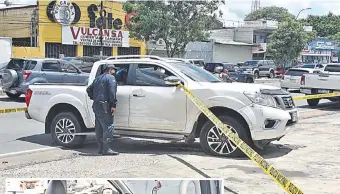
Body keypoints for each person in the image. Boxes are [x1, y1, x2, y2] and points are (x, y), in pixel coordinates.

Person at [86, 64, 119, 156]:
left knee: (99, 127)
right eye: (114, 70)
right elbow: (112, 92)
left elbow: (89, 89)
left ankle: (100, 149)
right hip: (105, 106)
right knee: (108, 126)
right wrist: (113, 104)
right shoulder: (110, 78)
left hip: (97, 105)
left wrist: (95, 97)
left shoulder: (98, 79)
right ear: (110, 70)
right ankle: (106, 149)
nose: (115, 72)